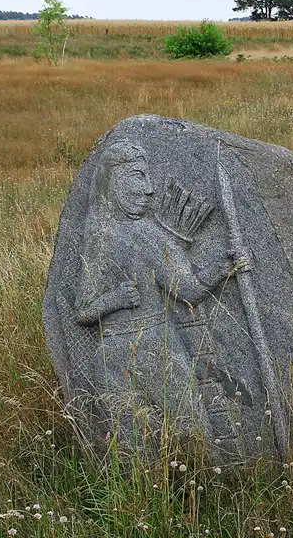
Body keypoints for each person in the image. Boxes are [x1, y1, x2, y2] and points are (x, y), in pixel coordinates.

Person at [75, 140, 248, 455]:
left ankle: (201, 480)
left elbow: (187, 290)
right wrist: (114, 299)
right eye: (138, 177)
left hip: (153, 348)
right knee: (134, 449)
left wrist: (224, 267)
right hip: (120, 356)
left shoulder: (148, 236)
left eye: (148, 177)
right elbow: (83, 311)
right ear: (113, 182)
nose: (149, 189)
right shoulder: (100, 237)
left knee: (189, 435)